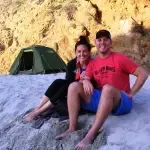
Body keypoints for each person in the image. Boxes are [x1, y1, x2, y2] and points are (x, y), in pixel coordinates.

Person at [55, 30, 149, 150]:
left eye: (105, 39)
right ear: (96, 43)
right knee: (73, 86)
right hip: (102, 100)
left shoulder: (120, 58)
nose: (102, 42)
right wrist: (86, 81)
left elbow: (143, 74)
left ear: (111, 43)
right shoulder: (94, 63)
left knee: (107, 88)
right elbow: (83, 77)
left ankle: (91, 134)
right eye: (99, 40)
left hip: (121, 101)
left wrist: (132, 92)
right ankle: (72, 128)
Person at [24, 36, 92, 121]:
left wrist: (84, 80)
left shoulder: (92, 64)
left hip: (85, 93)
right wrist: (80, 80)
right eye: (79, 51)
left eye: (85, 51)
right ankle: (39, 107)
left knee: (66, 86)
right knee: (58, 82)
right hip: (72, 90)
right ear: (75, 52)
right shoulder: (72, 64)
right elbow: (69, 81)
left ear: (89, 52)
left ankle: (38, 112)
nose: (81, 54)